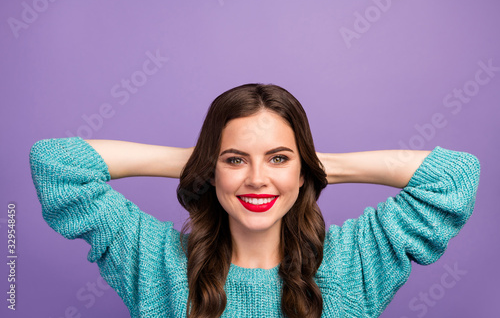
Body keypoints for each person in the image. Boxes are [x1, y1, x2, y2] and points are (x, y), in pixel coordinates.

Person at [29, 83, 481, 318]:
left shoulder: (352, 263)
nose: (258, 180)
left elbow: (455, 176)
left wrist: (312, 166)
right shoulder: (156, 262)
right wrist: (204, 158)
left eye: (278, 159)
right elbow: (56, 164)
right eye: (236, 160)